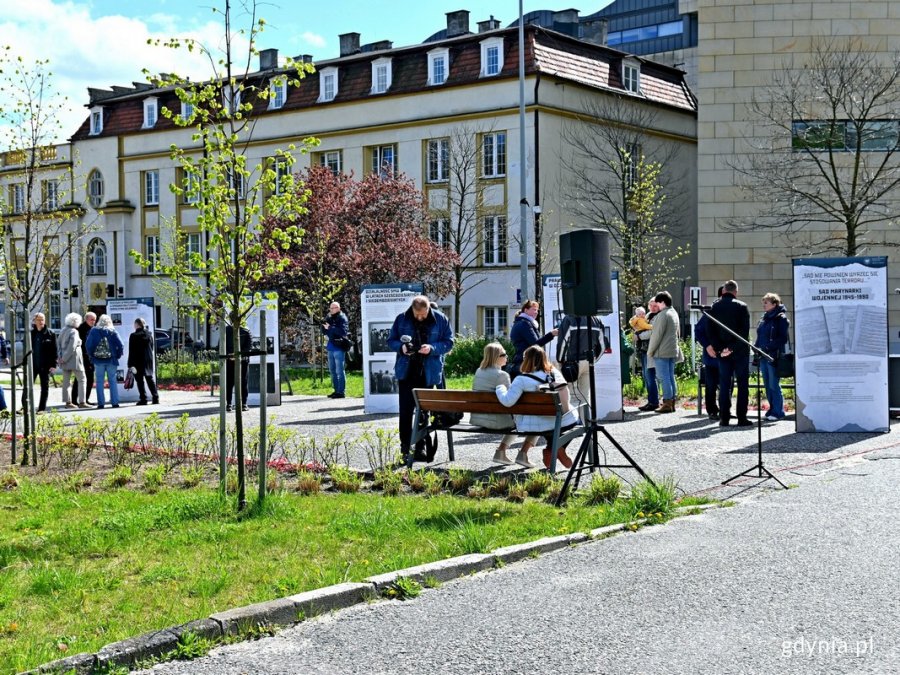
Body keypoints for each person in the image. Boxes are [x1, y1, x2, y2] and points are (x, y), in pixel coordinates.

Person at [387, 295, 454, 466]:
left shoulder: (440, 319)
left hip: (428, 372)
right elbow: (391, 340)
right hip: (406, 371)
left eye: (423, 315)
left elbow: (449, 342)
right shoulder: (402, 319)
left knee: (424, 412)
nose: (420, 318)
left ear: (428, 309)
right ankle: (405, 448)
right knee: (405, 412)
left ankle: (421, 447)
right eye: (417, 315)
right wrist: (401, 347)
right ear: (412, 309)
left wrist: (432, 348)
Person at [495, 345, 580, 470]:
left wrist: (500, 388)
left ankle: (554, 448)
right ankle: (554, 448)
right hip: (557, 419)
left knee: (548, 424)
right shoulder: (553, 373)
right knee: (575, 420)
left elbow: (508, 402)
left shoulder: (521, 379)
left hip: (531, 424)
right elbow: (564, 392)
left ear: (526, 360)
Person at [471, 342, 539, 467]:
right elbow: (511, 402)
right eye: (504, 354)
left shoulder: (478, 371)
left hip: (478, 419)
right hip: (496, 421)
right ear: (496, 357)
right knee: (536, 421)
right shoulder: (502, 375)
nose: (507, 357)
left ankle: (501, 452)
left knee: (517, 419)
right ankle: (522, 454)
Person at [708, 280, 753, 427]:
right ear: (736, 292)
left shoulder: (714, 307)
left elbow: (711, 332)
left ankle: (724, 418)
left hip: (723, 354)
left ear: (723, 291)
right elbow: (743, 333)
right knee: (742, 385)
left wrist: (721, 349)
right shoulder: (742, 307)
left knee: (725, 384)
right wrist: (732, 348)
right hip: (740, 352)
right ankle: (741, 417)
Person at [555, 313, 604, 423]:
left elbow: (563, 342)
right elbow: (603, 345)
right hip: (588, 363)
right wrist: (593, 360)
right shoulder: (596, 319)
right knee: (585, 396)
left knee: (571, 395)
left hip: (572, 363)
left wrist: (560, 360)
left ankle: (572, 425)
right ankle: (586, 425)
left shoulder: (569, 318)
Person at [755, 292, 790, 422]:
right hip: (763, 356)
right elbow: (759, 337)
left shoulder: (781, 318)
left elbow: (782, 339)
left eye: (766, 302)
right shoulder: (764, 319)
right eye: (763, 302)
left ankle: (778, 412)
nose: (764, 305)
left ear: (774, 304)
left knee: (774, 384)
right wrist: (756, 349)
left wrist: (768, 348)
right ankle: (772, 409)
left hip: (774, 356)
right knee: (767, 384)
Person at [647, 291, 681, 414]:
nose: (657, 306)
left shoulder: (663, 315)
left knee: (663, 377)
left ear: (662, 302)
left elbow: (656, 335)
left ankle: (667, 402)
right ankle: (672, 402)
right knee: (671, 376)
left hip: (662, 351)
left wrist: (650, 352)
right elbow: (678, 332)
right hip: (672, 349)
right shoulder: (674, 313)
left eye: (658, 303)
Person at [695, 286, 724, 420]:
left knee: (726, 386)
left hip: (727, 356)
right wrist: (707, 346)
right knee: (711, 386)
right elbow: (699, 331)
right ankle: (712, 410)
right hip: (711, 357)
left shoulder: (735, 311)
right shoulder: (710, 312)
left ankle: (725, 410)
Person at [509, 299, 558, 378]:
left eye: (537, 310)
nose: (536, 312)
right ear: (526, 310)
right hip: (525, 363)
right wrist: (551, 334)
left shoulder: (524, 323)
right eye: (534, 310)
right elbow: (536, 344)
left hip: (525, 362)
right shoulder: (524, 324)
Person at [86, 313, 124, 409]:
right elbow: (121, 345)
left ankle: (101, 403)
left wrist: (92, 355)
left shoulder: (94, 331)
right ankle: (115, 403)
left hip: (98, 360)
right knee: (112, 381)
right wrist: (117, 355)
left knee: (99, 381)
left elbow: (88, 345)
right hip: (112, 360)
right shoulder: (112, 331)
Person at [23, 312, 57, 414]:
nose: (41, 322)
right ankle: (24, 407)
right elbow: (26, 349)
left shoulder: (50, 333)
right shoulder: (30, 334)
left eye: (43, 319)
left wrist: (53, 365)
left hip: (45, 365)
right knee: (27, 386)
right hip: (32, 365)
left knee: (44, 387)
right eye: (39, 320)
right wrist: (25, 363)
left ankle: (41, 408)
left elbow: (54, 350)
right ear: (34, 321)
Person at [630, 303, 660, 411]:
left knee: (650, 376)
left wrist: (638, 336)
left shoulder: (657, 317)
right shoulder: (646, 316)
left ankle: (654, 402)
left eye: (655, 305)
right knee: (647, 376)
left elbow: (653, 332)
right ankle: (651, 401)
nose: (652, 307)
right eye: (650, 305)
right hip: (643, 350)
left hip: (650, 350)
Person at [57, 313, 88, 409]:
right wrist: (64, 358)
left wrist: (60, 357)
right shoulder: (74, 331)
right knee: (82, 379)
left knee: (66, 382)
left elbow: (58, 344)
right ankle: (82, 401)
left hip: (64, 360)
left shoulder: (63, 330)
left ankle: (68, 402)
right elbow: (72, 347)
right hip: (74, 359)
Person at [128, 318, 159, 405]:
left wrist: (130, 363)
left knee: (139, 380)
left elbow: (131, 350)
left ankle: (143, 399)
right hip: (148, 359)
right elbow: (151, 347)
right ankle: (155, 397)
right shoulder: (149, 335)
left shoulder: (133, 336)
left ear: (137, 325)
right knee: (149, 378)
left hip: (137, 360)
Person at [322, 301, 349, 399]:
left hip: (339, 347)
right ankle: (336, 390)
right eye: (331, 308)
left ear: (339, 308)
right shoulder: (329, 318)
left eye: (334, 308)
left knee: (339, 370)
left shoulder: (342, 318)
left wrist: (330, 328)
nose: (331, 310)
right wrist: (325, 328)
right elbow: (324, 331)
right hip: (330, 347)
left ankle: (341, 392)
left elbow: (342, 331)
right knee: (332, 370)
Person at [224, 322, 252, 412]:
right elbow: (248, 347)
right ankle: (243, 404)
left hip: (229, 360)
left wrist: (230, 355)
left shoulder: (225, 330)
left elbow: (221, 345)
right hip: (242, 360)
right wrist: (238, 355)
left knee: (229, 382)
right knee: (243, 382)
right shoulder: (246, 331)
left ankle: (228, 404)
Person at [73, 312, 97, 405]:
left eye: (95, 320)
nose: (93, 321)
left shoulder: (93, 329)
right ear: (86, 319)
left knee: (90, 379)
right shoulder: (80, 329)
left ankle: (85, 399)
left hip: (90, 358)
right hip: (81, 357)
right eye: (91, 319)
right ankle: (74, 400)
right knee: (78, 379)